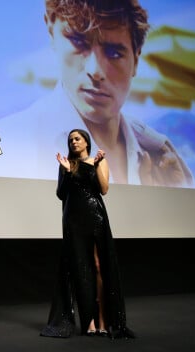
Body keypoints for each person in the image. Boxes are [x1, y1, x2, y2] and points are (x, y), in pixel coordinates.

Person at [0, 0, 193, 187]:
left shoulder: (162, 157)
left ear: (136, 60)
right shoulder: (3, 141)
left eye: (114, 53)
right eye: (79, 43)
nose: (95, 70)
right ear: (51, 33)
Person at [41, 128, 135, 339]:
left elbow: (103, 189)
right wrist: (65, 171)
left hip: (95, 216)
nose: (73, 142)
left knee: (99, 266)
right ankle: (89, 322)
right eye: (70, 140)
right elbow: (60, 194)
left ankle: (103, 320)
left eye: (77, 138)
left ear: (86, 142)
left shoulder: (98, 160)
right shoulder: (67, 164)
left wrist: (99, 163)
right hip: (73, 219)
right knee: (80, 268)